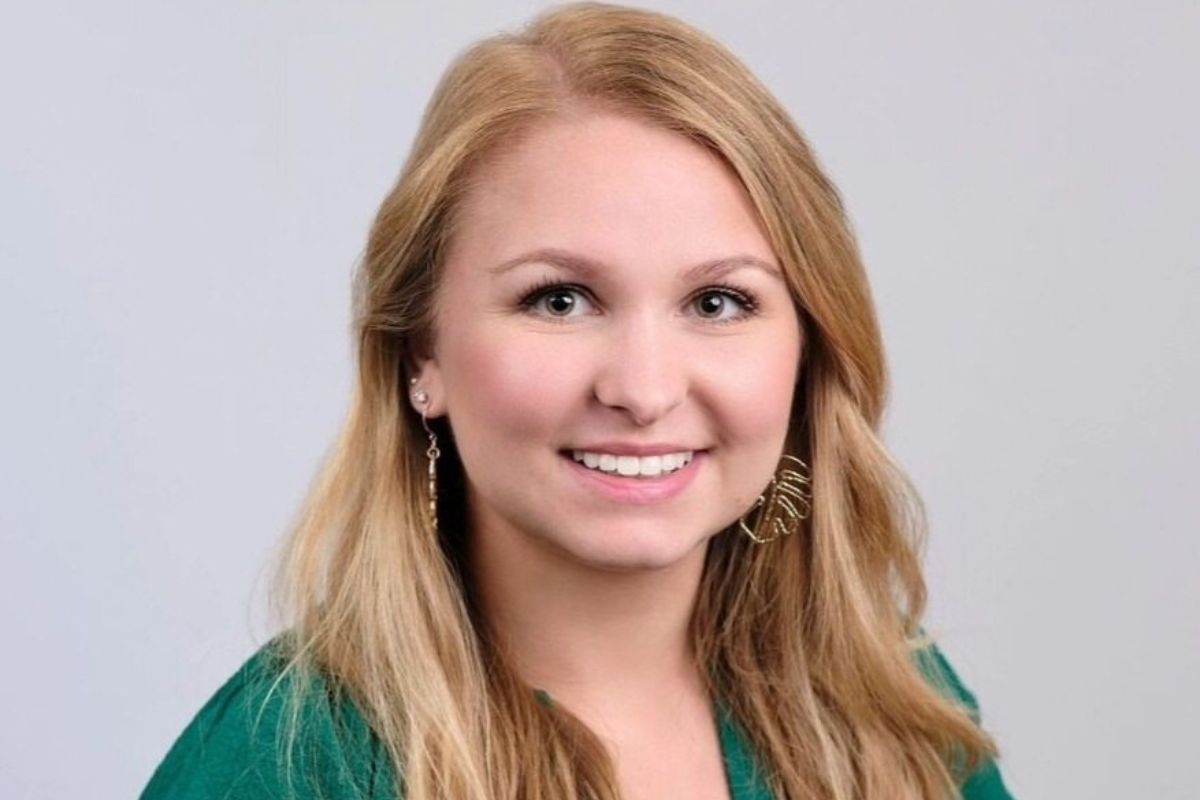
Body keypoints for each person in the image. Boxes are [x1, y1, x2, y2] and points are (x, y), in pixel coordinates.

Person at [140, 3, 1014, 799]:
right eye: (559, 299)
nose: (643, 391)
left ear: (807, 352)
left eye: (717, 303)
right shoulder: (282, 765)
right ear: (423, 353)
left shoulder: (899, 714)